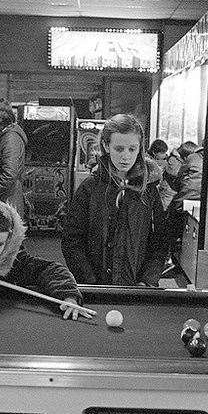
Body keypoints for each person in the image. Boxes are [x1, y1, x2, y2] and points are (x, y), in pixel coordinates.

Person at [61, 113, 167, 286]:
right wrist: (89, 281)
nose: (125, 156)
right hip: (97, 287)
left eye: (132, 149)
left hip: (137, 287)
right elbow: (72, 241)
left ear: (139, 148)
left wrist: (147, 281)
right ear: (106, 145)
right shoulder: (89, 188)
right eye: (119, 149)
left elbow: (160, 242)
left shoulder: (148, 190)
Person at [0, 98, 28, 218]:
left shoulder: (10, 138)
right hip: (6, 198)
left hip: (8, 199)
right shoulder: (5, 136)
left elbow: (9, 174)